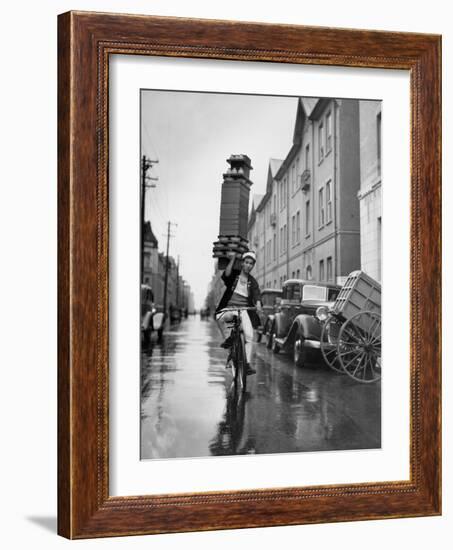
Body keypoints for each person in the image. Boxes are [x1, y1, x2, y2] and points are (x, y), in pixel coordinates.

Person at [215, 251, 263, 375]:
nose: (248, 265)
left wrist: (258, 303)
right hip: (229, 308)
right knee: (221, 318)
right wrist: (232, 259)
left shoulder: (252, 281)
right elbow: (226, 275)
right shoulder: (235, 276)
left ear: (253, 266)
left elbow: (257, 293)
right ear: (242, 263)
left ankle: (246, 364)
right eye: (246, 262)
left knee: (249, 335)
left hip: (244, 310)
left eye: (251, 264)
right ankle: (229, 340)